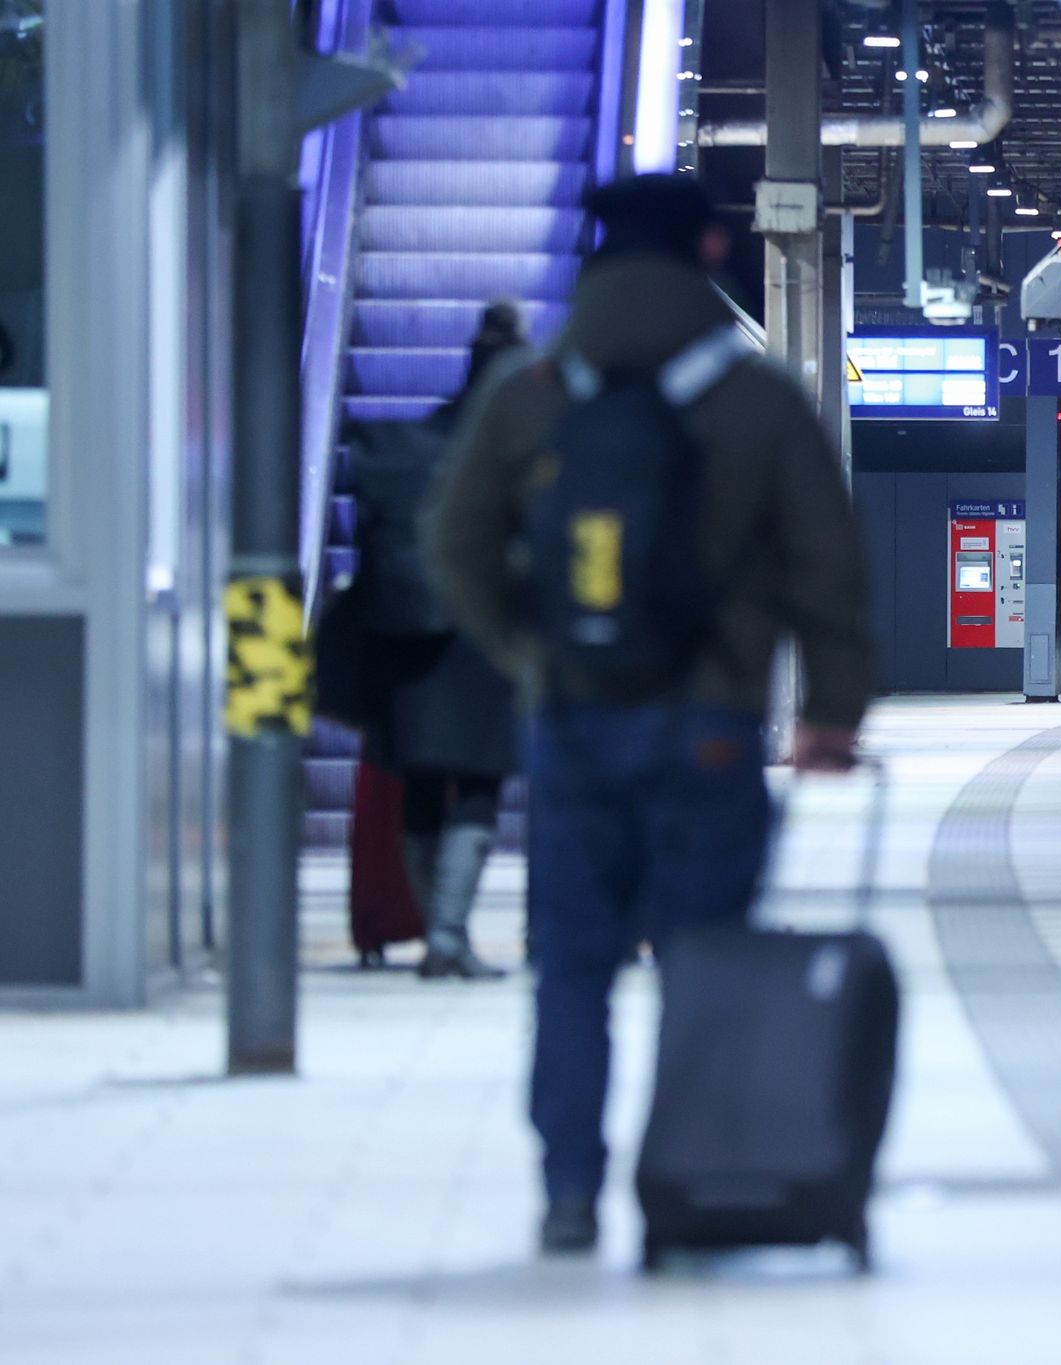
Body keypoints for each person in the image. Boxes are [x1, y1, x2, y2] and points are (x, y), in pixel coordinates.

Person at [424, 172, 873, 1255]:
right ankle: (692, 1190)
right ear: (709, 254)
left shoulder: (533, 391)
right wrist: (829, 711)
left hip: (572, 721)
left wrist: (530, 654)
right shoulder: (755, 396)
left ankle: (569, 1193)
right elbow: (826, 563)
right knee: (704, 964)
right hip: (710, 724)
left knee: (572, 968)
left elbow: (453, 546)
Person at [351, 301, 527, 980]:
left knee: (423, 784)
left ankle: (438, 933)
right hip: (483, 641)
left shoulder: (404, 446)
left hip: (405, 638)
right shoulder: (521, 452)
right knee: (480, 784)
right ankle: (447, 935)